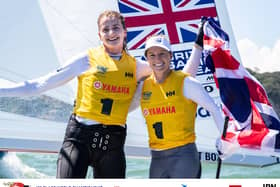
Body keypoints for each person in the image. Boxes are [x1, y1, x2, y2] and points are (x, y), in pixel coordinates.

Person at [0, 10, 204, 178]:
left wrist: (197, 47)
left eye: (115, 27)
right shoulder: (86, 60)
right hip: (79, 139)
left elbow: (182, 80)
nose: (111, 32)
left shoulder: (138, 67)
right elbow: (39, 85)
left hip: (112, 144)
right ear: (99, 35)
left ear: (125, 32)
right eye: (105, 29)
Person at [136, 34, 224, 178]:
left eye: (162, 54)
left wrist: (224, 138)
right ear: (147, 58)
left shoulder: (187, 82)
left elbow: (214, 109)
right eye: (152, 55)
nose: (157, 59)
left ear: (170, 55)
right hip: (157, 158)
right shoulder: (143, 87)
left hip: (184, 156)